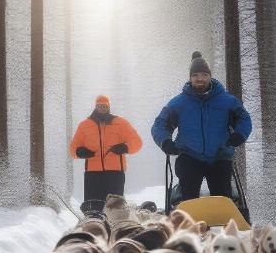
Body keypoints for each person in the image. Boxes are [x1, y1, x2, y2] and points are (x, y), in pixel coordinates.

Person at [151, 51, 252, 202]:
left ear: (210, 77)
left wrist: (240, 134)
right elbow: (159, 124)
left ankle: (226, 223)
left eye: (204, 75)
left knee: (223, 200)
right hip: (189, 156)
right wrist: (165, 142)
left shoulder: (227, 101)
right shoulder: (179, 103)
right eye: (196, 75)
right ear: (190, 78)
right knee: (188, 200)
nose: (200, 79)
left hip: (220, 155)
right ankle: (187, 223)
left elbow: (244, 119)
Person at [70, 95, 143, 206]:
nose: (102, 108)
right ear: (95, 107)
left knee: (115, 208)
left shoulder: (121, 123)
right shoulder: (84, 125)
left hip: (115, 173)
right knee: (93, 207)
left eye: (105, 106)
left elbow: (137, 142)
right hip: (92, 174)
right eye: (100, 106)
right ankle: (93, 222)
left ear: (109, 107)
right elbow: (73, 148)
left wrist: (125, 147)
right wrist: (79, 151)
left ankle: (114, 223)